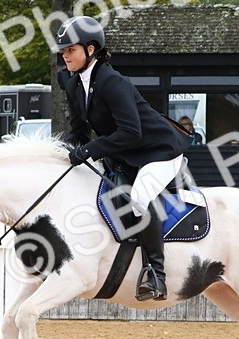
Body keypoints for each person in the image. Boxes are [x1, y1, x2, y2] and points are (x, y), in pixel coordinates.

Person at [59, 16, 189, 301]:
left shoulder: (112, 81)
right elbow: (79, 132)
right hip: (124, 154)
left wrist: (91, 150)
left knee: (140, 198)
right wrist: (60, 152)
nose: (65, 55)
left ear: (90, 50)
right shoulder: (72, 84)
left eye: (70, 49)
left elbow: (131, 132)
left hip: (158, 150)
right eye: (64, 50)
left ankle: (156, 275)